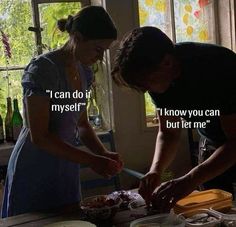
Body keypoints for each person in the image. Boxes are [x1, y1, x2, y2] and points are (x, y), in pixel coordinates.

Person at [1, 6, 123, 217]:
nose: (101, 57)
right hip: (35, 165)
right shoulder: (43, 70)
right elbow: (39, 137)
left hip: (66, 167)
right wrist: (93, 161)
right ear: (77, 37)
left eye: (104, 50)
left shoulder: (84, 72)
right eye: (97, 49)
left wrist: (102, 154)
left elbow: (82, 125)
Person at [111, 26, 236, 212]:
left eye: (147, 82)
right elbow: (169, 132)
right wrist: (156, 170)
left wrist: (192, 178)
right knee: (214, 213)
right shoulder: (159, 78)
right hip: (212, 146)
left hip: (231, 142)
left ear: (167, 62)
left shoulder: (219, 66)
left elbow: (235, 142)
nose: (147, 90)